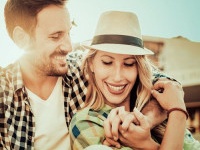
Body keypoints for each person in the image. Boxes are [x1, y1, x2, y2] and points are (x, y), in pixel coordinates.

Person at [0, 0, 192, 149]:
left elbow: (166, 85)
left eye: (69, 32)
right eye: (55, 36)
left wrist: (142, 122)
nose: (68, 46)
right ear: (21, 39)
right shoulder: (3, 93)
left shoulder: (79, 66)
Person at [69, 10, 200, 150]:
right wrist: (178, 112)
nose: (117, 77)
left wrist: (149, 144)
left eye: (129, 64)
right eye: (107, 62)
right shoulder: (85, 122)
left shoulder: (160, 110)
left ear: (138, 68)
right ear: (91, 64)